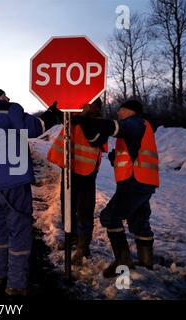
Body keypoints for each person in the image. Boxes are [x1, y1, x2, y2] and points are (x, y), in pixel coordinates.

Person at [0, 88, 58, 296]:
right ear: (0, 97)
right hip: (15, 182)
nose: (8, 98)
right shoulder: (11, 111)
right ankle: (16, 284)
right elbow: (35, 128)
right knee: (19, 231)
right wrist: (50, 114)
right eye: (5, 95)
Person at [72, 100, 159, 277]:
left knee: (110, 216)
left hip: (134, 181)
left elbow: (115, 127)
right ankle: (146, 263)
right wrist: (115, 156)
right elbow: (133, 149)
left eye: (120, 110)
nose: (118, 113)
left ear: (129, 111)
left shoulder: (136, 122)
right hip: (144, 181)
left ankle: (123, 260)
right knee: (140, 220)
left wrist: (85, 120)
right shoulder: (145, 125)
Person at [47, 98, 108, 264]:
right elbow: (69, 124)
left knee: (84, 211)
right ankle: (72, 238)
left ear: (96, 108)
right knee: (67, 207)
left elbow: (95, 139)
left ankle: (83, 247)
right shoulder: (76, 117)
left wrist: (84, 118)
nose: (84, 107)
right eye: (84, 105)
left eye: (89, 105)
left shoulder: (101, 123)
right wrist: (57, 111)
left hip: (87, 173)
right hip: (70, 169)